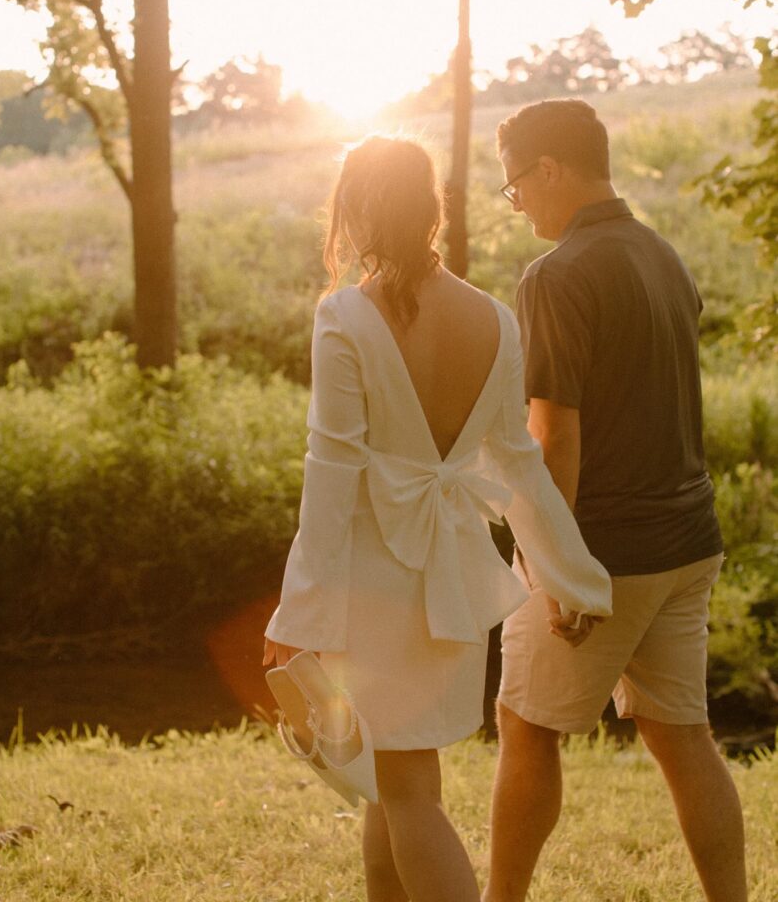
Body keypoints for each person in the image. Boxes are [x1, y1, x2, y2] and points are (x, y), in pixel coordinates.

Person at [263, 135, 612, 902]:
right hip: (450, 578)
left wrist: (300, 611)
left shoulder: (346, 317)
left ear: (355, 209)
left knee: (408, 790)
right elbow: (520, 464)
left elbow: (331, 473)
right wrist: (569, 578)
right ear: (432, 208)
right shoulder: (494, 318)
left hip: (374, 587)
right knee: (389, 787)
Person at [485, 99, 747, 902]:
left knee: (526, 726)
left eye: (515, 185)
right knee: (684, 737)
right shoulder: (661, 254)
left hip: (606, 550)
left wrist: (552, 565)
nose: (517, 201)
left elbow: (554, 434)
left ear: (550, 170)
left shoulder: (556, 274)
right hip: (687, 543)